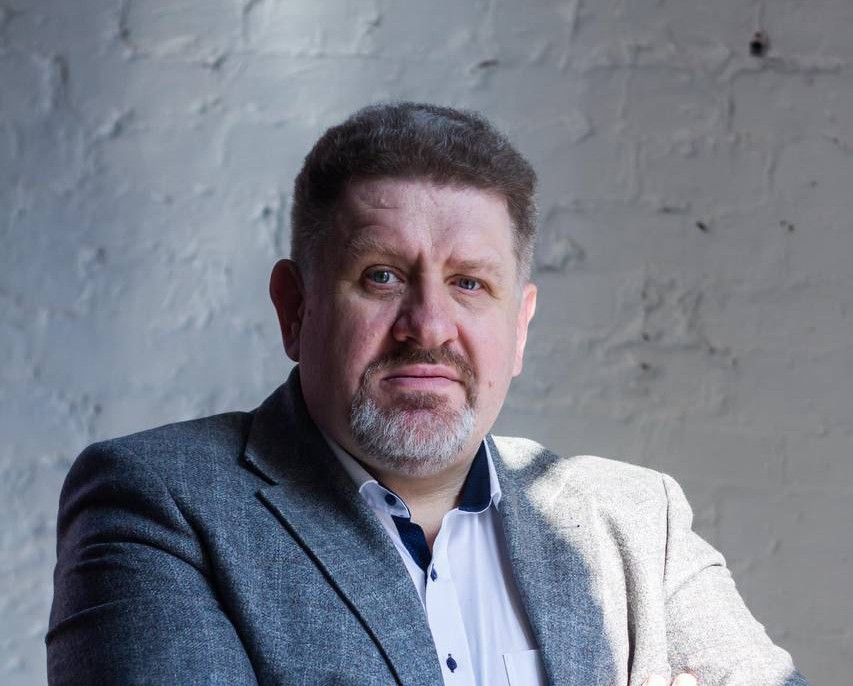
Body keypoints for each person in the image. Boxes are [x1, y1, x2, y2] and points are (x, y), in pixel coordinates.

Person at [47, 103, 808, 686]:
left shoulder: (638, 525)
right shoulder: (157, 503)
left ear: (520, 327)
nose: (429, 326)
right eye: (381, 276)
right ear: (295, 308)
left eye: (469, 283)